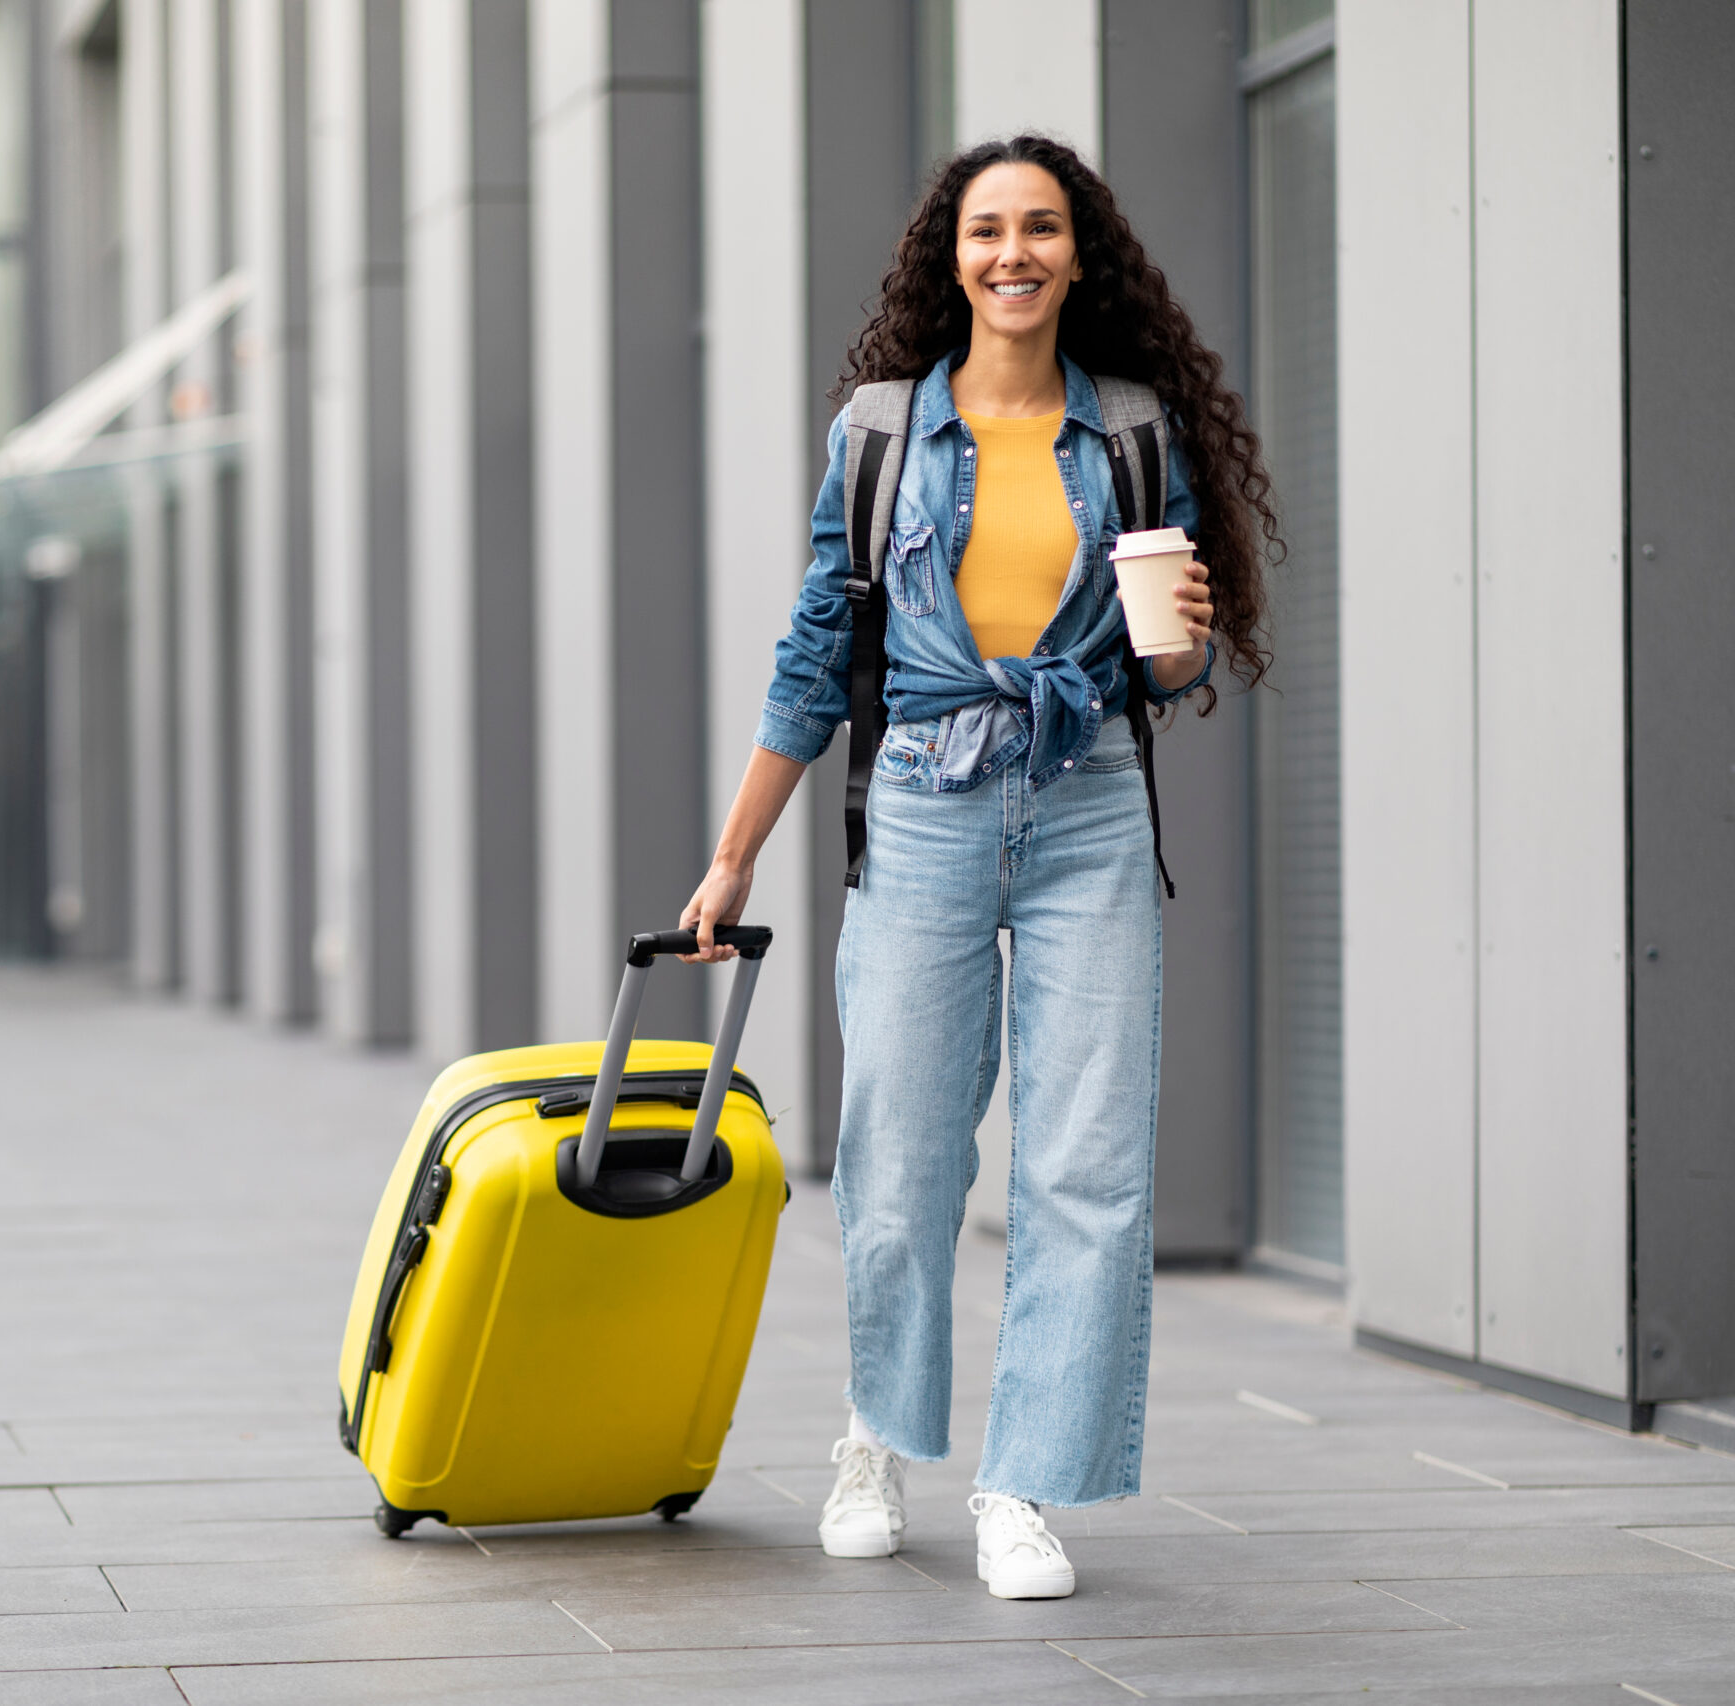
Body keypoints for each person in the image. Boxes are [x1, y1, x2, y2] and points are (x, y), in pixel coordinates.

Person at [679, 134, 1276, 1599]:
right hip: (927, 807)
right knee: (899, 1159)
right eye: (988, 229)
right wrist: (733, 855)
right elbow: (820, 648)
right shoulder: (882, 432)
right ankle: (878, 1436)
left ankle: (1023, 1482)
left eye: (1043, 228)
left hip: (1084, 809)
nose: (1014, 252)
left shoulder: (1134, 428)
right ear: (952, 256)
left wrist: (1185, 627)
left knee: (1088, 1168)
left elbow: (1169, 661)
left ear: (1081, 256)